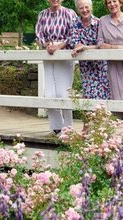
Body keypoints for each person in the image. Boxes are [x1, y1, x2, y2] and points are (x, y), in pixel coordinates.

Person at [35, 0, 77, 135]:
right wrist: (46, 45)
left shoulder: (69, 13)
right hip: (48, 52)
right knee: (49, 94)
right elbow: (39, 34)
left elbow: (74, 34)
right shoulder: (42, 14)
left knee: (63, 93)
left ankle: (68, 128)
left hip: (64, 52)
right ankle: (56, 128)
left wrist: (58, 46)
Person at [69, 0, 111, 100]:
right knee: (88, 98)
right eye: (81, 8)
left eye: (86, 7)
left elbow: (102, 44)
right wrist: (78, 45)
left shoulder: (99, 23)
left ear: (91, 8)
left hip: (101, 68)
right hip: (86, 68)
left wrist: (84, 47)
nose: (84, 10)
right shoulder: (74, 23)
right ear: (77, 10)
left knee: (103, 99)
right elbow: (73, 42)